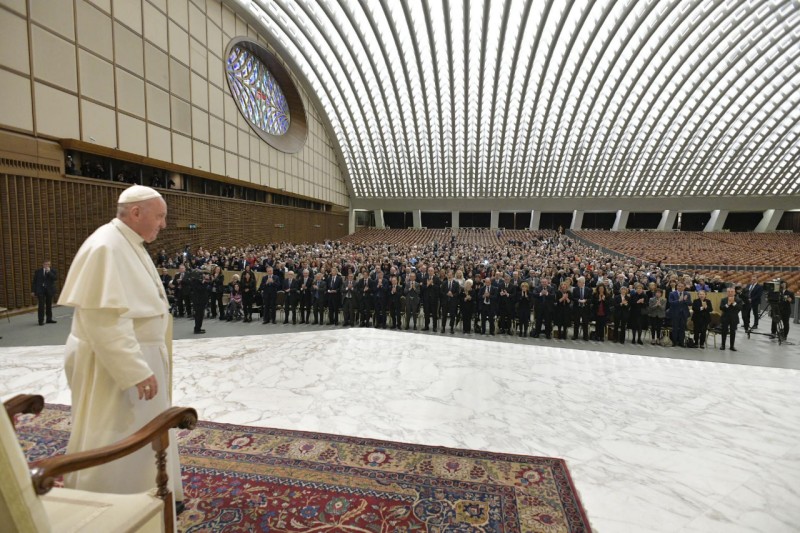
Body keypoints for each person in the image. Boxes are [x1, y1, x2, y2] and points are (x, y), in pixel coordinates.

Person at [57, 185, 183, 508]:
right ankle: (113, 503)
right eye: (160, 216)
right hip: (116, 367)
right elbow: (105, 319)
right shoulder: (106, 247)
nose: (163, 224)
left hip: (139, 358)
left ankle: (152, 495)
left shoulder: (130, 243)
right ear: (136, 213)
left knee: (146, 432)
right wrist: (135, 370)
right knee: (115, 433)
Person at [31, 260, 58, 325]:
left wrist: (49, 272)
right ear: (43, 264)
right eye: (46, 264)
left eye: (48, 264)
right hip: (40, 290)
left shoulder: (53, 271)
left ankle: (49, 319)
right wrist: (33, 291)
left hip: (49, 290)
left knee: (49, 305)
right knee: (41, 306)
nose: (47, 266)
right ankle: (41, 321)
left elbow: (55, 278)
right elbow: (34, 282)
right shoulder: (38, 271)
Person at [719, 286, 743, 351]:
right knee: (724, 332)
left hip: (734, 318)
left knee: (733, 332)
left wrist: (734, 303)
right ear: (727, 292)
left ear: (734, 292)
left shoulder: (739, 300)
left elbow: (740, 308)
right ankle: (723, 345)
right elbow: (721, 308)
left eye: (732, 291)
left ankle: (732, 346)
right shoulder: (723, 300)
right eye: (729, 292)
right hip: (725, 317)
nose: (730, 293)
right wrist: (728, 304)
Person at [669, 282, 692, 347]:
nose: (680, 287)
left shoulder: (687, 294)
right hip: (675, 313)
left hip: (684, 313)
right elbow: (671, 302)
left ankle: (681, 342)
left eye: (681, 286)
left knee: (682, 328)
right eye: (678, 286)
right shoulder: (672, 293)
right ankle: (674, 342)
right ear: (676, 286)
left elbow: (690, 303)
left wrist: (684, 300)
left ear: (684, 287)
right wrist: (679, 300)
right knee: (675, 328)